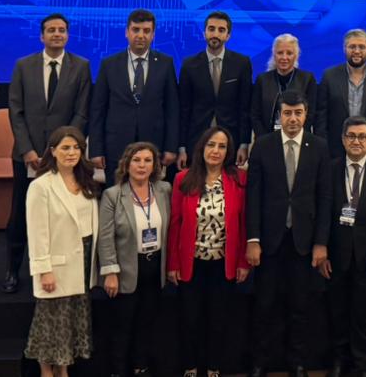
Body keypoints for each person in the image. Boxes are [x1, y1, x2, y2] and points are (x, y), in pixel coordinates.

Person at [245, 91, 331, 377]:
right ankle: (260, 363)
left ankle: (297, 363)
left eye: (298, 113)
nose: (293, 119)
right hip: (269, 241)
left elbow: (325, 198)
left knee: (300, 306)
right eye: (287, 113)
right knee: (264, 305)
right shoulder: (263, 146)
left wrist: (321, 243)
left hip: (304, 242)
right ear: (279, 116)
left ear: (306, 115)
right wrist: (253, 239)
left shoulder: (319, 146)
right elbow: (253, 196)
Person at [4, 12, 92, 294]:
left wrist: (65, 150)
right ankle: (13, 269)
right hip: (28, 155)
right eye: (51, 30)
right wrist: (28, 150)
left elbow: (81, 112)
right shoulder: (23, 65)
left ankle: (60, 270)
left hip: (65, 158)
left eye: (62, 30)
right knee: (21, 214)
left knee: (62, 214)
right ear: (42, 36)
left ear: (68, 35)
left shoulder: (81, 66)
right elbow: (16, 112)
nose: (57, 34)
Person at [168, 126, 252, 377]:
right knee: (190, 320)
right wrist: (172, 264)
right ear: (202, 148)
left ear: (228, 151)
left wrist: (243, 262)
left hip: (223, 263)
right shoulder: (183, 179)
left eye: (222, 146)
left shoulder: (239, 179)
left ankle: (214, 368)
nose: (216, 151)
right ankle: (190, 368)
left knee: (218, 320)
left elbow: (244, 223)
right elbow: (175, 223)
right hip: (191, 263)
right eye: (211, 145)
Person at [321, 116, 366, 377]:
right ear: (343, 139)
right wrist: (323, 251)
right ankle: (339, 363)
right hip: (336, 255)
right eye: (351, 136)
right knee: (337, 311)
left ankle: (363, 365)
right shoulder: (330, 168)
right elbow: (323, 212)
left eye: (362, 136)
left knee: (364, 313)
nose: (357, 141)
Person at [24, 125, 100, 377]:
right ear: (53, 151)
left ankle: (63, 370)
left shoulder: (87, 182)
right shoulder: (41, 186)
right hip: (56, 266)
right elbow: (37, 232)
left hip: (83, 261)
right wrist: (44, 270)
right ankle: (47, 372)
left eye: (76, 148)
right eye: (65, 148)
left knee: (69, 322)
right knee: (51, 323)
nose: (71, 153)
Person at [98, 142, 171, 377]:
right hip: (126, 269)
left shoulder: (164, 190)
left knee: (147, 322)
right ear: (127, 164)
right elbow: (105, 236)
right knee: (123, 325)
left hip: (155, 267)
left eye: (148, 160)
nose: (142, 165)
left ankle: (141, 367)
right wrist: (110, 271)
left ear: (155, 165)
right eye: (136, 160)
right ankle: (118, 371)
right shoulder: (113, 195)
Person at [89, 9, 180, 172]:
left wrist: (171, 147)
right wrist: (96, 150)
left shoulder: (165, 64)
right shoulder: (109, 64)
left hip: (154, 146)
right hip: (115, 147)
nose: (141, 35)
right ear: (127, 32)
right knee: (116, 188)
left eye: (146, 31)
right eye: (136, 30)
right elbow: (98, 110)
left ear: (153, 35)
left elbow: (172, 109)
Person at [178, 11, 252, 169]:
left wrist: (244, 144)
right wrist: (181, 147)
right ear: (204, 32)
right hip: (196, 140)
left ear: (228, 35)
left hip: (230, 140)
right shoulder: (189, 65)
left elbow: (244, 108)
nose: (215, 34)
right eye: (211, 29)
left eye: (221, 30)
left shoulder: (242, 64)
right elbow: (184, 109)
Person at [320, 28, 366, 152]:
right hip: (335, 151)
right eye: (352, 47)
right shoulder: (329, 76)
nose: (357, 51)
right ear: (344, 49)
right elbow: (321, 118)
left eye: (361, 47)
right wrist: (324, 149)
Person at [251, 33, 319, 144]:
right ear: (274, 55)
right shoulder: (262, 80)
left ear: (296, 56)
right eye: (280, 53)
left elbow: (310, 114)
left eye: (289, 53)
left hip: (298, 140)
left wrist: (296, 137)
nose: (284, 57)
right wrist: (265, 140)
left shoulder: (307, 79)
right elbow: (255, 115)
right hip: (266, 140)